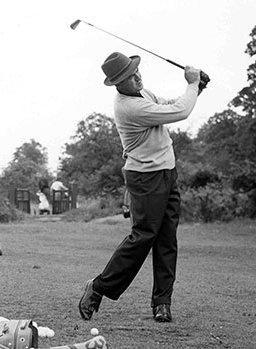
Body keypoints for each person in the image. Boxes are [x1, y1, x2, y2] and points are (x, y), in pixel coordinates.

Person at [78, 52, 203, 323]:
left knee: (167, 238)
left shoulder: (142, 93)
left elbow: (170, 104)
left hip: (167, 172)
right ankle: (98, 287)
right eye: (129, 77)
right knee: (144, 235)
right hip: (145, 177)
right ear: (116, 83)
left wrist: (196, 89)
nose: (137, 78)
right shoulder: (128, 107)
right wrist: (192, 85)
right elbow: (178, 112)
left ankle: (162, 303)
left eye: (136, 72)